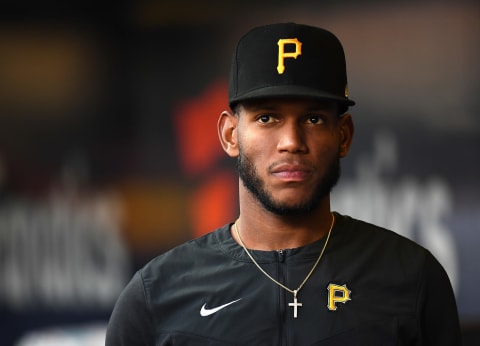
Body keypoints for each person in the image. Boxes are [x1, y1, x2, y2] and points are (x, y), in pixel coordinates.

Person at [105, 22, 461, 345]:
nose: (291, 140)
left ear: (344, 135)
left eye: (313, 118)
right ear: (230, 135)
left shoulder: (411, 277)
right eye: (267, 117)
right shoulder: (157, 295)